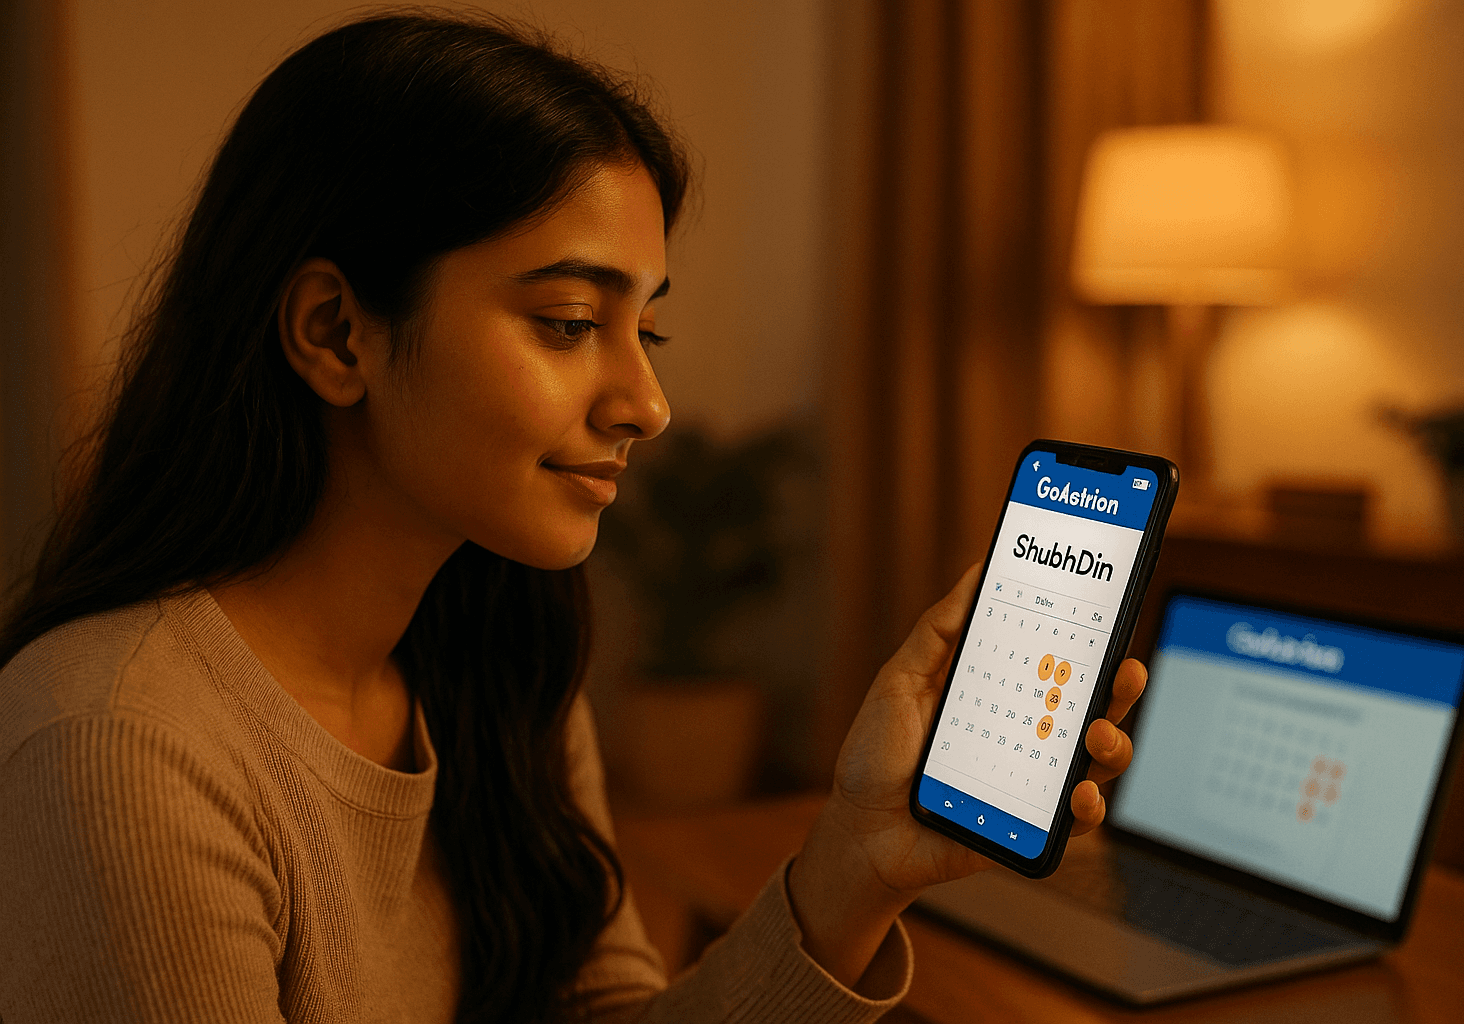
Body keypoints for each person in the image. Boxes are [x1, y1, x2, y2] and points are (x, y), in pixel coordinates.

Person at [0, 12, 1144, 1024]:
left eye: (644, 330)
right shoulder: (123, 746)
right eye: (563, 322)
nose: (644, 403)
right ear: (335, 333)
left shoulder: (503, 658)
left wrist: (857, 864)